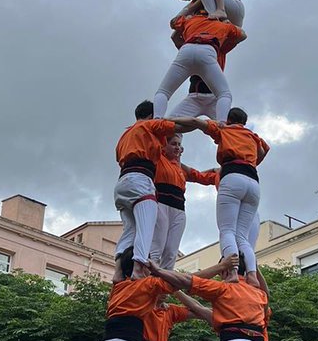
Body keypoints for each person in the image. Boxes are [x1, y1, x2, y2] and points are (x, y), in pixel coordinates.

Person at [183, 109, 269, 275]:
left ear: (228, 120)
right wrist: (250, 160)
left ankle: (232, 273)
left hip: (234, 184)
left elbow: (196, 122)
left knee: (228, 231)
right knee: (244, 240)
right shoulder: (253, 136)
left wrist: (167, 120)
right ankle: (251, 275)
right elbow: (263, 151)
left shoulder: (225, 131)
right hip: (252, 183)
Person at [113, 102, 177, 280]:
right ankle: (138, 268)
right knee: (146, 228)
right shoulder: (150, 125)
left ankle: (118, 271)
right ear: (152, 115)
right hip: (140, 180)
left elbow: (119, 158)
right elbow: (176, 126)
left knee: (130, 230)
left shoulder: (125, 135)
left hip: (122, 183)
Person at [152, 12, 245, 124]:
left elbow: (173, 24)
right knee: (225, 94)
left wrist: (187, 14)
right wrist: (227, 22)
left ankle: (156, 120)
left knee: (163, 91)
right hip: (208, 52)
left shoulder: (192, 20)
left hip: (187, 49)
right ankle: (222, 125)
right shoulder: (223, 26)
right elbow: (242, 35)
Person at [150, 132, 219, 271]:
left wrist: (217, 171)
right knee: (157, 247)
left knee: (171, 251)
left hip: (179, 209)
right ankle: (148, 280)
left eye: (179, 145)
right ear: (164, 145)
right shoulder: (158, 159)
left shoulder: (180, 167)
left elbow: (200, 176)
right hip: (161, 204)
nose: (177, 148)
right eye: (173, 144)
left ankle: (164, 286)